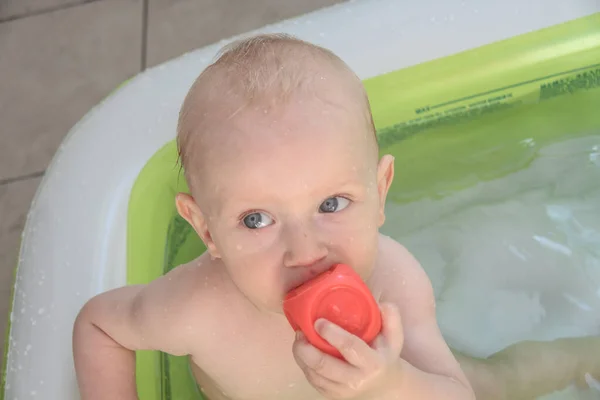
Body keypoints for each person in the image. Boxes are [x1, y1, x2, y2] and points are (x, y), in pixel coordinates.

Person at [73, 33, 599, 400]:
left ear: (380, 191)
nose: (304, 251)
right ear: (206, 228)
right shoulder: (196, 309)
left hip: (410, 390)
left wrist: (391, 386)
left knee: (494, 386)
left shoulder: (395, 284)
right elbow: (99, 326)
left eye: (331, 205)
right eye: (257, 220)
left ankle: (582, 356)